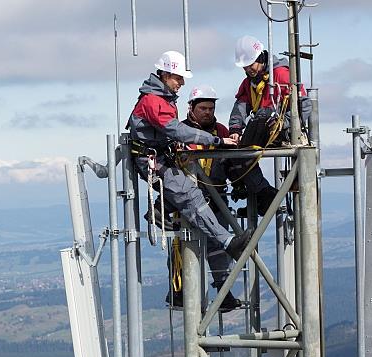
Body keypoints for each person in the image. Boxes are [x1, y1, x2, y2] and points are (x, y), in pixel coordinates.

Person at [128, 51, 252, 307]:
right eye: (178, 77)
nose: (181, 83)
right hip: (153, 160)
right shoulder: (153, 101)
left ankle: (223, 281)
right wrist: (215, 141)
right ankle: (227, 244)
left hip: (167, 162)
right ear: (165, 74)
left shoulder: (162, 99)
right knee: (189, 195)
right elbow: (175, 130)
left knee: (190, 200)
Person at [226, 35, 313, 215]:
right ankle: (264, 195)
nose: (248, 69)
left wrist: (285, 123)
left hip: (280, 131)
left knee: (261, 120)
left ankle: (265, 196)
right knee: (233, 157)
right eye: (245, 66)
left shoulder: (281, 74)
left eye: (250, 65)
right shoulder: (249, 83)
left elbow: (304, 105)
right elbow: (240, 106)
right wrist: (235, 129)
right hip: (263, 129)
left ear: (260, 58)